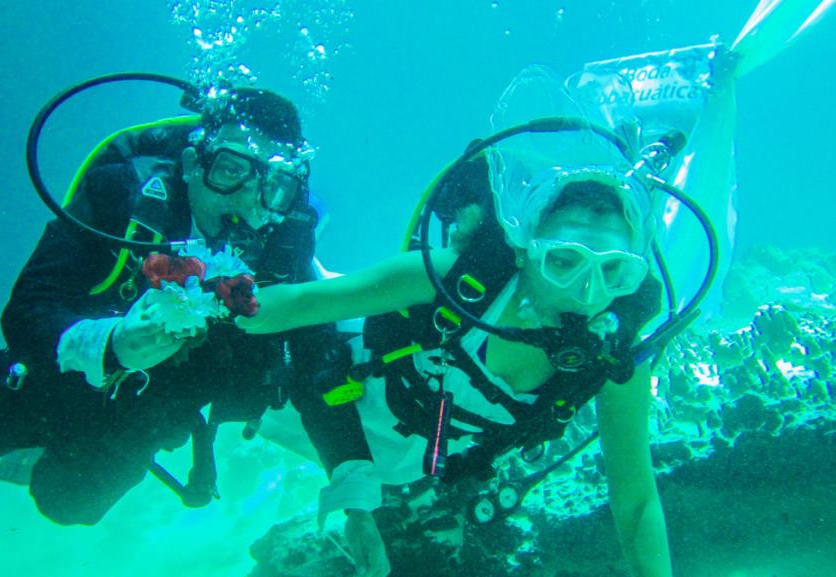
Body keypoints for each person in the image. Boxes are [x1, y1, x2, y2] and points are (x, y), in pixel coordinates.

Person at [0, 86, 390, 576]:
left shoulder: (283, 243)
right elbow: (29, 308)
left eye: (271, 186)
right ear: (191, 164)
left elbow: (317, 360)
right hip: (55, 375)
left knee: (67, 504)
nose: (246, 202)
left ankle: (45, 455)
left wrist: (352, 488)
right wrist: (109, 343)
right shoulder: (122, 195)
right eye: (230, 170)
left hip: (149, 412)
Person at [238, 106, 675, 575]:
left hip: (403, 464)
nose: (586, 294)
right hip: (321, 392)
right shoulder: (454, 280)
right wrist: (215, 304)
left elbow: (635, 502)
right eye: (564, 261)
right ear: (526, 250)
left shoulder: (613, 357)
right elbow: (303, 304)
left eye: (613, 270)